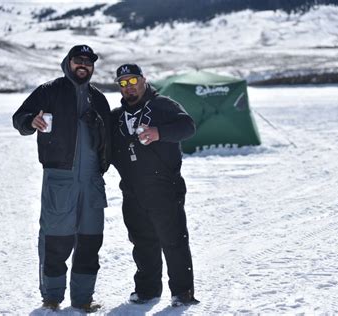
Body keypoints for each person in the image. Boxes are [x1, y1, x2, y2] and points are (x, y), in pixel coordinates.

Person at [12, 44, 111, 312]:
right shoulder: (49, 91)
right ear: (68, 62)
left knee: (90, 242)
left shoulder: (99, 99)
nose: (83, 65)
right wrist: (31, 121)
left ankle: (83, 299)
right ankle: (52, 298)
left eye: (88, 62)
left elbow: (110, 139)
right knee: (56, 241)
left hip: (91, 182)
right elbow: (19, 117)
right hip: (59, 180)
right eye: (78, 60)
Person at [110, 64, 199, 307]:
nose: (129, 87)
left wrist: (159, 132)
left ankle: (182, 292)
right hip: (132, 190)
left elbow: (188, 126)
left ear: (143, 80)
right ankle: (148, 290)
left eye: (133, 80)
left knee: (173, 240)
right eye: (123, 83)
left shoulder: (162, 105)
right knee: (142, 241)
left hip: (164, 187)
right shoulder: (116, 116)